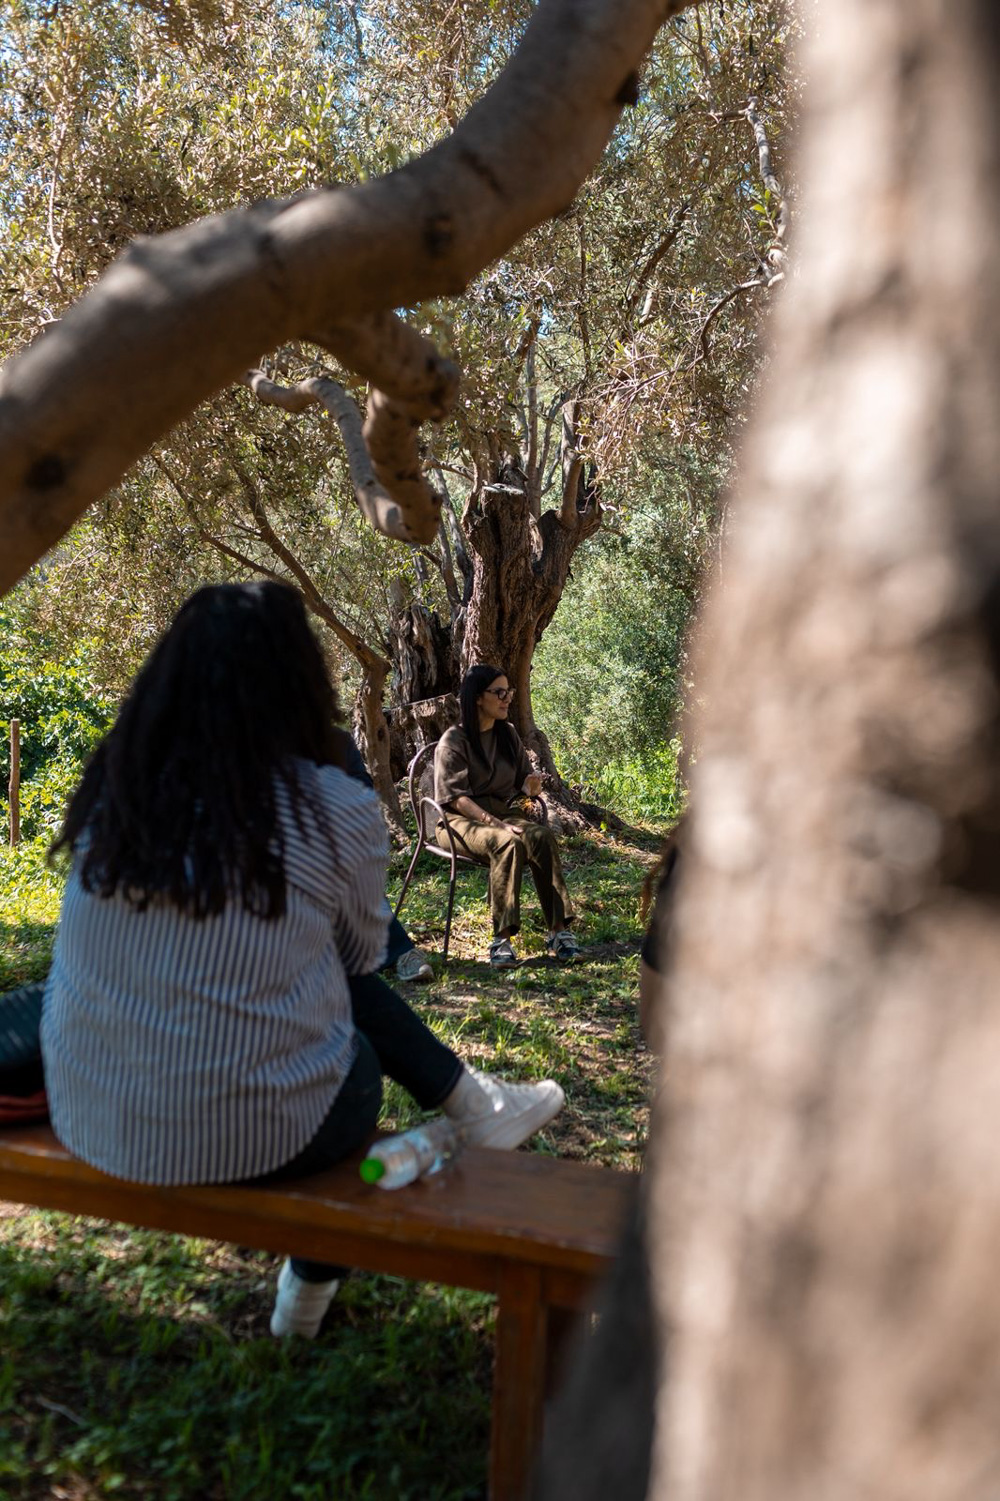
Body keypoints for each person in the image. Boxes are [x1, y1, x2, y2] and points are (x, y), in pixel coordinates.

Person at [40, 583, 564, 1339]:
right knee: (339, 1052)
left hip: (88, 1106)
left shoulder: (114, 783)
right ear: (300, 679)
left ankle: (473, 1103)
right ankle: (314, 1288)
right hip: (261, 1131)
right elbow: (357, 961)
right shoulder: (329, 800)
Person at [434, 664, 579, 968]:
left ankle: (558, 933)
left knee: (540, 836)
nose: (507, 698)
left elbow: (521, 785)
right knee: (506, 842)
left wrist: (530, 786)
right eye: (499, 692)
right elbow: (457, 799)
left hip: (502, 813)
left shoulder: (507, 734)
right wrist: (495, 824)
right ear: (477, 698)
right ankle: (501, 940)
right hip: (456, 821)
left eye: (509, 692)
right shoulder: (454, 740)